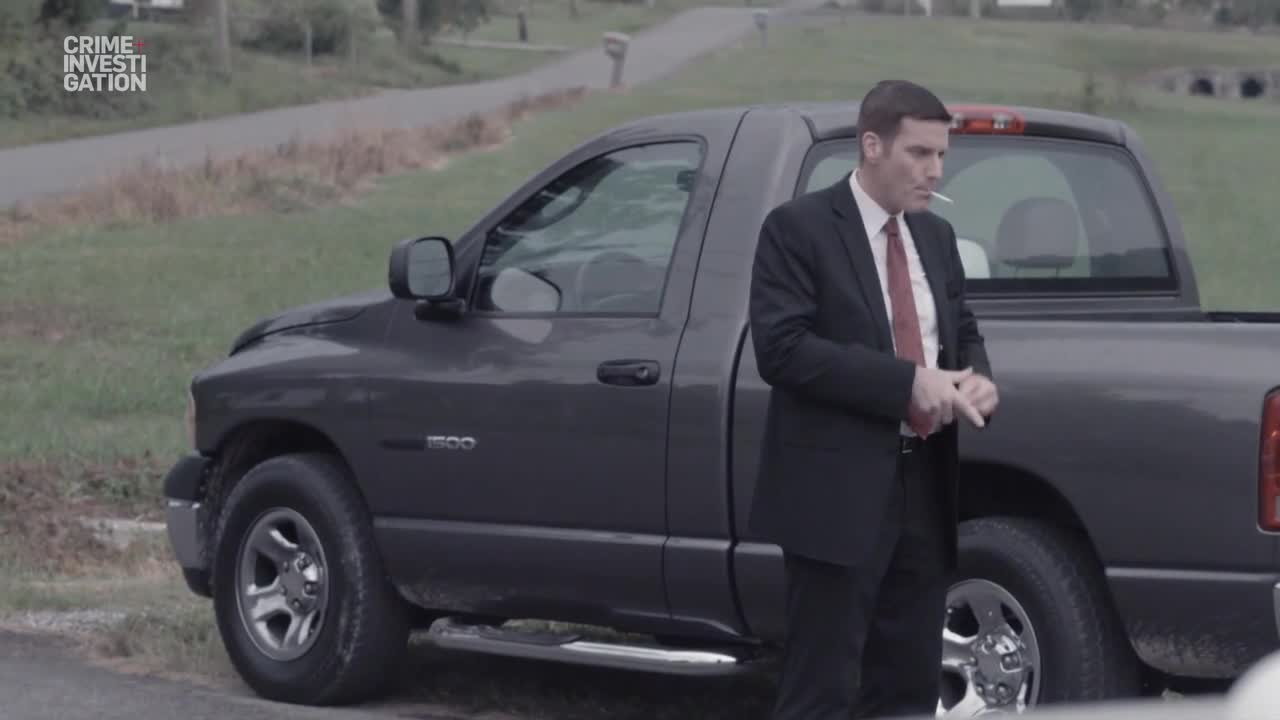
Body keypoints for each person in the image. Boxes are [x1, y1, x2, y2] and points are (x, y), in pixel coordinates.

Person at [747, 79, 999, 720]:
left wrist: (977, 378)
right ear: (871, 145)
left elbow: (961, 330)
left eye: (941, 155)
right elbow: (782, 350)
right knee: (822, 688)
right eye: (919, 153)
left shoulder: (936, 237)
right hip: (835, 495)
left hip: (925, 489)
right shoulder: (798, 229)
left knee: (909, 688)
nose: (934, 170)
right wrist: (905, 382)